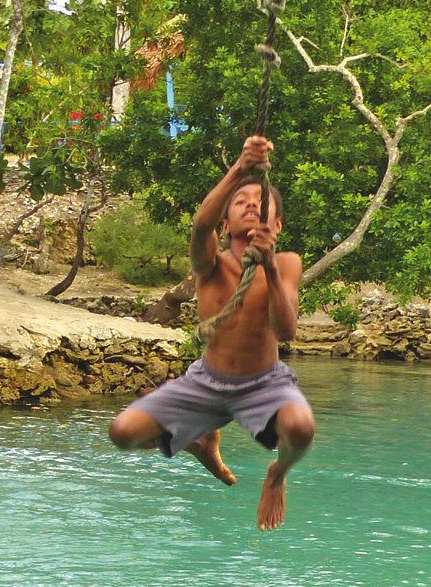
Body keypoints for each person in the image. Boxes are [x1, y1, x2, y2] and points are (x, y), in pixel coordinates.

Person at [107, 134, 313, 530]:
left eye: (261, 203)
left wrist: (268, 266)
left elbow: (286, 331)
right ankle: (201, 441)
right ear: (226, 221)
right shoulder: (210, 265)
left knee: (300, 429)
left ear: (278, 224)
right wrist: (240, 166)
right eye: (241, 202)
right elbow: (201, 225)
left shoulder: (287, 263)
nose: (252, 205)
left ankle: (277, 475)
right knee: (123, 433)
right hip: (207, 381)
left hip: (263, 383)